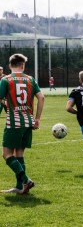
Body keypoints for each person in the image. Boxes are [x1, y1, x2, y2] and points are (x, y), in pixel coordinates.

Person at [0, 53, 44, 194]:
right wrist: (37, 119)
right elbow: (41, 97)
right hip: (28, 122)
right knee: (19, 154)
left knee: (6, 154)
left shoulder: (6, 80)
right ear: (23, 65)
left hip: (14, 123)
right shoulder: (30, 79)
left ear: (9, 66)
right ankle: (20, 187)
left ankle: (26, 180)